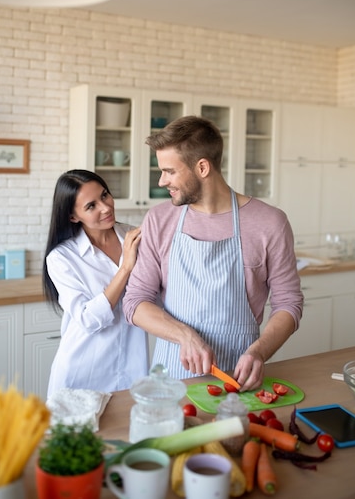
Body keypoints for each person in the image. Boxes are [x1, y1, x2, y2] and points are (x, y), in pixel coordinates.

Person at [123, 116, 303, 391]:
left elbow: (289, 303)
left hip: (239, 376)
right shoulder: (159, 220)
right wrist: (185, 336)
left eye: (170, 171)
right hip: (172, 376)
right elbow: (135, 302)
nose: (162, 181)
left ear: (203, 167)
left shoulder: (270, 223)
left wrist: (260, 352)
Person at [43, 169, 148, 397]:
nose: (106, 207)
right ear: (73, 216)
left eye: (105, 195)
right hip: (83, 373)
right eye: (91, 206)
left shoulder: (134, 236)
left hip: (132, 369)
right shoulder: (62, 258)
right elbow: (89, 319)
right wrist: (126, 268)